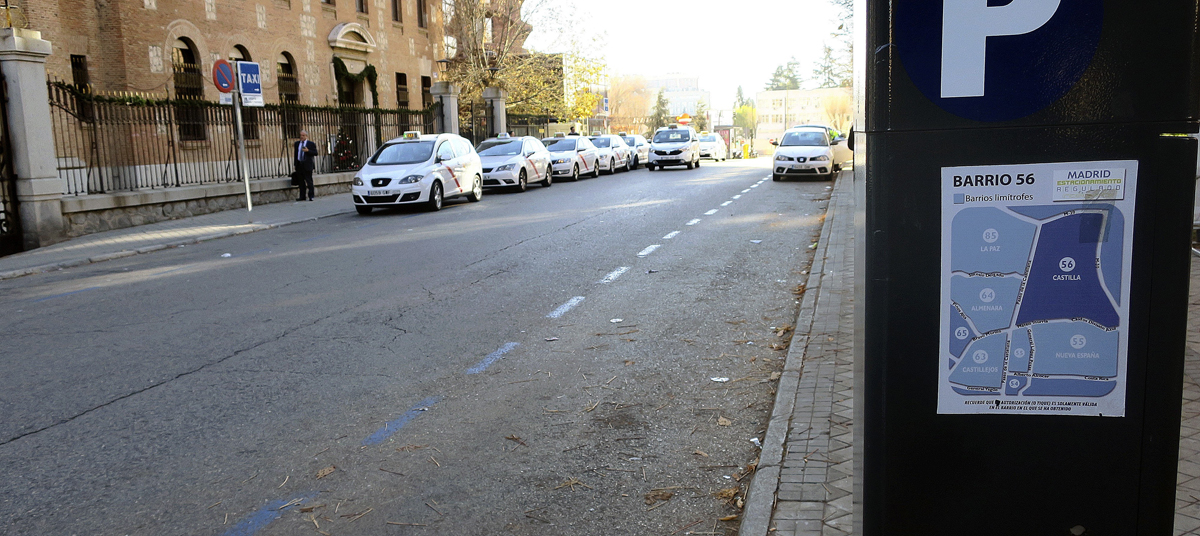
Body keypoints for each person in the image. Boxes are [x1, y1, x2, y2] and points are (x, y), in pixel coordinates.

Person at [294, 130, 317, 201]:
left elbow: (315, 153)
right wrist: (295, 164)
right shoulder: (297, 144)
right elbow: (296, 154)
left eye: (303, 135)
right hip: (299, 164)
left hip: (307, 165)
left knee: (309, 181)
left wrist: (308, 151)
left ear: (306, 136)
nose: (302, 137)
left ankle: (311, 196)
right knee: (301, 182)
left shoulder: (310, 144)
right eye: (301, 135)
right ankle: (302, 196)